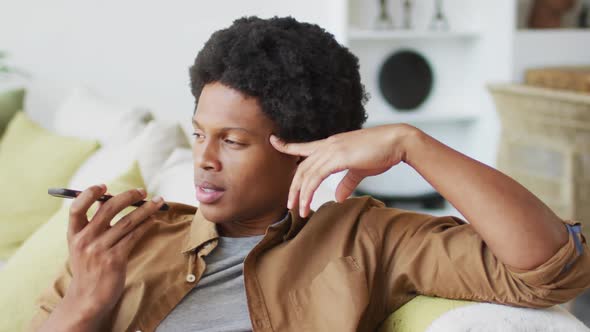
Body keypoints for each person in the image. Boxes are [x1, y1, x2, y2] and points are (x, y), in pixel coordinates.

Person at [29, 16, 590, 332]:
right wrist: (84, 304)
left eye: (233, 141)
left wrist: (411, 144)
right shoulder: (127, 245)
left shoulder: (365, 239)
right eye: (199, 133)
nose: (203, 158)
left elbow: (553, 269)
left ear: (302, 149)